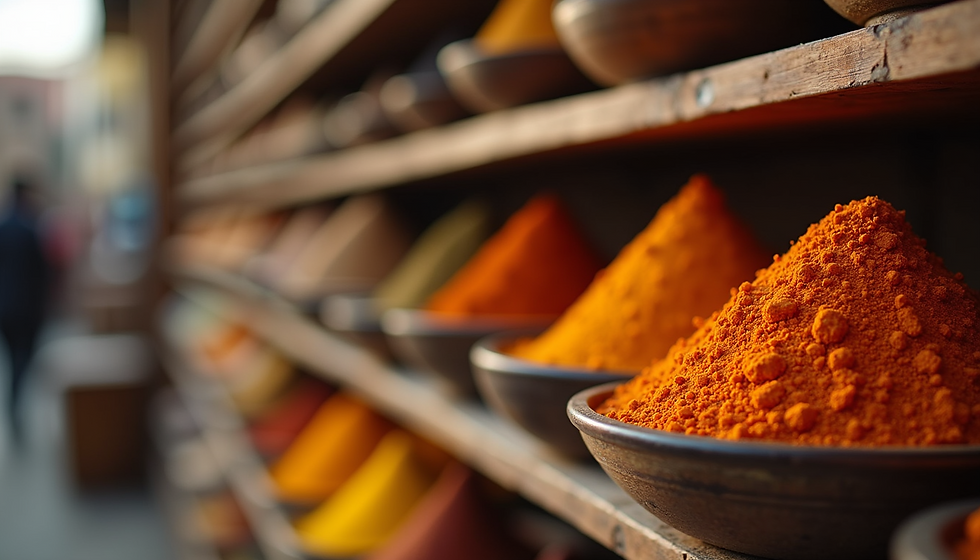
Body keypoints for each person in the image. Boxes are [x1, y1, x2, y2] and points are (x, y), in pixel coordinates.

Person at [0, 176, 50, 442]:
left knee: (12, 359)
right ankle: (15, 405)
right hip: (27, 308)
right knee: (23, 359)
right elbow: (42, 271)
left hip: (4, 307)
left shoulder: (2, 225)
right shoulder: (31, 228)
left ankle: (13, 404)